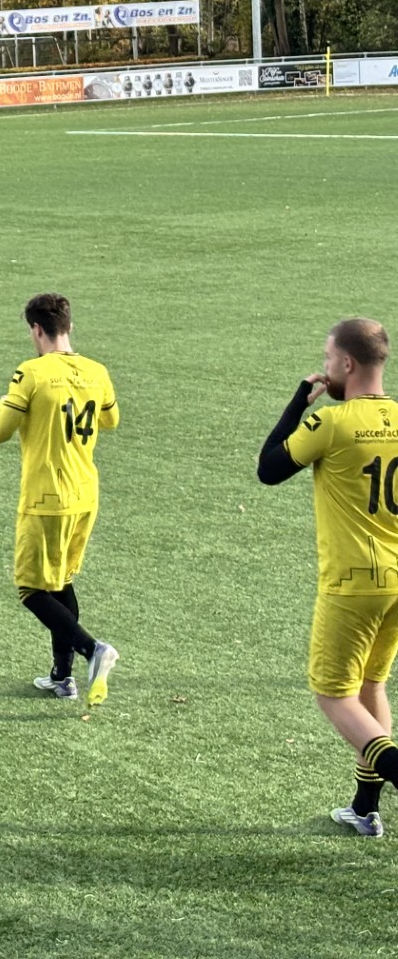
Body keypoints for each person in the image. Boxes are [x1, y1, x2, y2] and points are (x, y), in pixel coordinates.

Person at [257, 317, 398, 838]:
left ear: (346, 364)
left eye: (326, 359)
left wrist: (301, 400)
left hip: (354, 583)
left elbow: (268, 468)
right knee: (370, 685)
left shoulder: (332, 424)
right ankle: (365, 808)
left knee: (334, 695)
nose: (323, 368)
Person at [0, 292, 121, 705]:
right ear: (69, 326)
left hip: (46, 496)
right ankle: (62, 676)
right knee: (61, 581)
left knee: (31, 589)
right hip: (85, 495)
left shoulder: (30, 373)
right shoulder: (97, 372)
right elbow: (111, 419)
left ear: (36, 329)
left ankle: (92, 650)